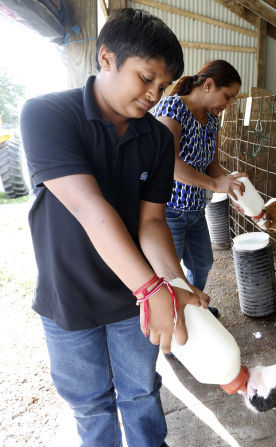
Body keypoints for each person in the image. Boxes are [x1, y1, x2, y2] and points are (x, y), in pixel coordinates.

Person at [20, 9, 208, 446]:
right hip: (69, 298)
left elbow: (152, 221)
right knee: (90, 403)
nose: (153, 96)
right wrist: (152, 289)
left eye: (161, 87)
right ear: (106, 58)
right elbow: (89, 208)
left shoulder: (157, 138)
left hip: (131, 303)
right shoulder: (47, 115)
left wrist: (173, 279)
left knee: (141, 393)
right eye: (146, 78)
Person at [153, 60, 246, 317]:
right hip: (168, 210)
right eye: (227, 96)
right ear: (208, 85)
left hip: (195, 209)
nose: (228, 104)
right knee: (171, 274)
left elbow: (213, 165)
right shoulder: (172, 108)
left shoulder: (212, 121)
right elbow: (169, 163)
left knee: (202, 263)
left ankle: (192, 310)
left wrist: (230, 185)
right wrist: (216, 184)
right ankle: (173, 319)